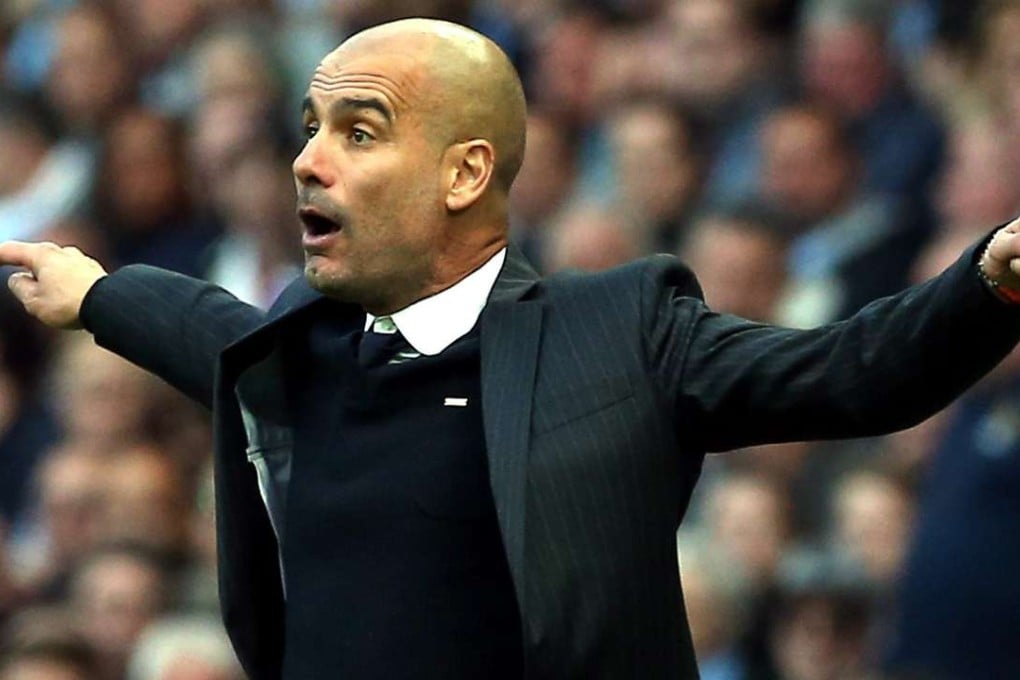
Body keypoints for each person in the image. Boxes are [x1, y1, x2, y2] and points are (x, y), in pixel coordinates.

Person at [1, 17, 1020, 680]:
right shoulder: (298, 353)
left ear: (464, 172)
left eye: (358, 131)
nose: (305, 160)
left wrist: (991, 280)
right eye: (308, 128)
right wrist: (99, 290)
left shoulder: (617, 330)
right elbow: (206, 327)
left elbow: (851, 373)